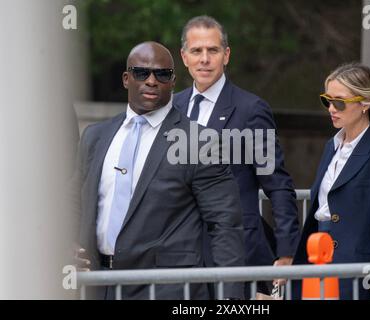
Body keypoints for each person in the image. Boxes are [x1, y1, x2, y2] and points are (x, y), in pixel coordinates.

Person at [73, 41, 245, 299]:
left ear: (173, 81)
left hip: (167, 289)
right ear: (126, 78)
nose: (152, 81)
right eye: (142, 73)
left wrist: (231, 299)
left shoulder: (198, 142)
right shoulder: (95, 136)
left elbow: (225, 224)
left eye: (161, 74)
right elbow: (74, 202)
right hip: (98, 285)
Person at [174, 15, 300, 295]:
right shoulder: (172, 108)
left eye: (213, 50)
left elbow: (277, 184)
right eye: (196, 51)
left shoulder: (251, 110)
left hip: (235, 255)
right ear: (184, 57)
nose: (204, 59)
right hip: (181, 256)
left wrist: (286, 250)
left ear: (226, 55)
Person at [293, 62, 370, 300]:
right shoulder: (331, 147)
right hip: (316, 264)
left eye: (340, 102)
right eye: (327, 100)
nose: (331, 109)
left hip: (357, 274)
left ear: (364, 103)